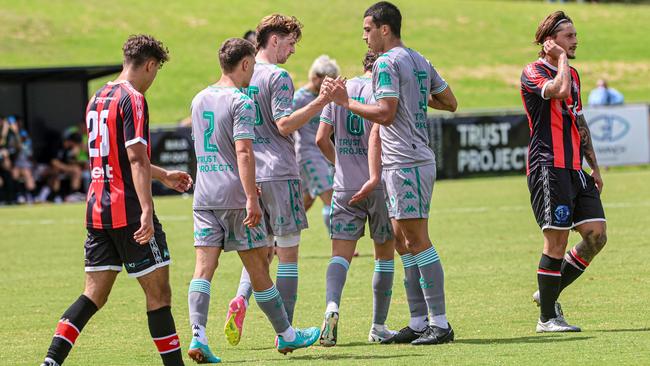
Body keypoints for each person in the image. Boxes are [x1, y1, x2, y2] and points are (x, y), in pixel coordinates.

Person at [40, 34, 193, 366]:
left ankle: (50, 361)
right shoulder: (133, 98)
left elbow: (116, 160)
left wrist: (163, 174)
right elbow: (135, 159)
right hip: (128, 212)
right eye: (155, 72)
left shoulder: (97, 96)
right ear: (150, 65)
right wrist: (148, 210)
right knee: (159, 295)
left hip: (97, 212)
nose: (153, 79)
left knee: (93, 294)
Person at [323, 1, 458, 345]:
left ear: (385, 29)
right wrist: (414, 98)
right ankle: (416, 321)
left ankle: (440, 324)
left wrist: (344, 101)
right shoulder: (419, 59)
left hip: (405, 161)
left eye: (368, 29)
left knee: (417, 240)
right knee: (401, 242)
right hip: (410, 160)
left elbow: (384, 113)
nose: (364, 36)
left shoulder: (385, 62)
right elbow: (449, 101)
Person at [187, 38, 320, 362]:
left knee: (203, 269)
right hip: (234, 196)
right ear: (245, 64)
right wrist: (250, 197)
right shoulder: (240, 101)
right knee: (259, 268)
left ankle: (198, 337)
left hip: (203, 196)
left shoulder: (199, 98)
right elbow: (244, 152)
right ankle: (287, 335)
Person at [224, 13, 330, 346]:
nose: (293, 50)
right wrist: (321, 102)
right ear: (274, 40)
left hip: (250, 175)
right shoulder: (278, 76)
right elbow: (285, 124)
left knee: (259, 253)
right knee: (287, 254)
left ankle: (240, 299)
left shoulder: (242, 75)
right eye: (290, 42)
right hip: (280, 174)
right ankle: (287, 333)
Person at [521, 11, 607, 333]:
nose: (575, 41)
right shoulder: (532, 71)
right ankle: (547, 317)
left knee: (596, 235)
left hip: (575, 168)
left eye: (574, 35)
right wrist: (559, 60)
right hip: (548, 166)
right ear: (550, 42)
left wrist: (594, 167)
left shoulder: (574, 74)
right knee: (555, 241)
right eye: (569, 36)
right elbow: (557, 90)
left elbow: (580, 122)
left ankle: (548, 292)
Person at [315, 51, 398, 346]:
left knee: (340, 256)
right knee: (384, 257)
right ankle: (378, 327)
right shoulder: (384, 91)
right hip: (380, 184)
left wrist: (340, 164)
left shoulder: (342, 89)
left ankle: (332, 308)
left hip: (344, 186)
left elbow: (320, 139)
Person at [293, 55, 339, 231]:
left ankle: (279, 239)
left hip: (322, 153)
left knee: (306, 200)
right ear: (315, 77)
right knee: (330, 196)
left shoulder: (329, 97)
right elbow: (285, 123)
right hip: (307, 153)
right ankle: (339, 240)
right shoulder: (300, 98)